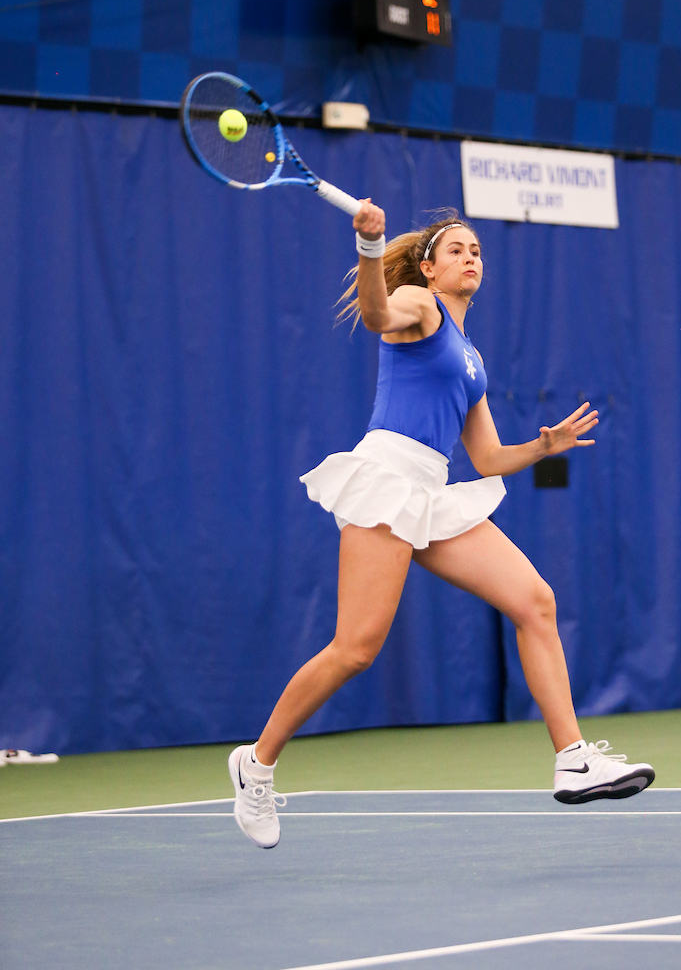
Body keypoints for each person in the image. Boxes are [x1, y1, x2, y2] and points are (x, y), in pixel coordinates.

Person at [229, 203, 654, 848]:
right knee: (356, 649)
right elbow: (377, 315)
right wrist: (370, 247)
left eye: (476, 250)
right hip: (386, 479)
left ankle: (573, 760)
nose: (470, 257)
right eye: (456, 250)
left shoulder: (472, 359)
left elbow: (487, 458)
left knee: (535, 602)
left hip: (432, 490)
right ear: (428, 269)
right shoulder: (418, 306)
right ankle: (256, 765)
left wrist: (545, 446)